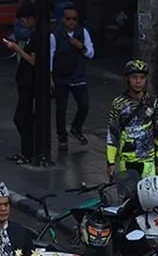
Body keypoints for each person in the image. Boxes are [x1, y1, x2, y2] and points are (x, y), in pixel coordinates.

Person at [106, 59, 158, 180]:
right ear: (127, 79)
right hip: (126, 160)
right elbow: (112, 133)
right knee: (128, 197)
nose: (138, 81)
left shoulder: (154, 104)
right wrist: (111, 162)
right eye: (134, 77)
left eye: (142, 77)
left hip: (148, 160)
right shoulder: (118, 104)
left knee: (149, 198)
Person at [50, 5, 94, 152]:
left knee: (84, 105)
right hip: (61, 77)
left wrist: (80, 46)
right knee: (61, 109)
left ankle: (76, 128)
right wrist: (50, 78)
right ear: (63, 19)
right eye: (68, 19)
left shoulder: (83, 32)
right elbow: (50, 58)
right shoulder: (55, 35)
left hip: (78, 76)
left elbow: (91, 53)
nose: (71, 22)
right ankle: (62, 138)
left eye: (74, 19)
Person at [3, 4, 39, 165]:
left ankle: (29, 151)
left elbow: (33, 60)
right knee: (22, 118)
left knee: (22, 118)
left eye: (24, 20)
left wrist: (16, 49)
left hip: (29, 83)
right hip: (24, 81)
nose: (22, 23)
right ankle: (26, 151)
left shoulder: (38, 36)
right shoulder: (32, 34)